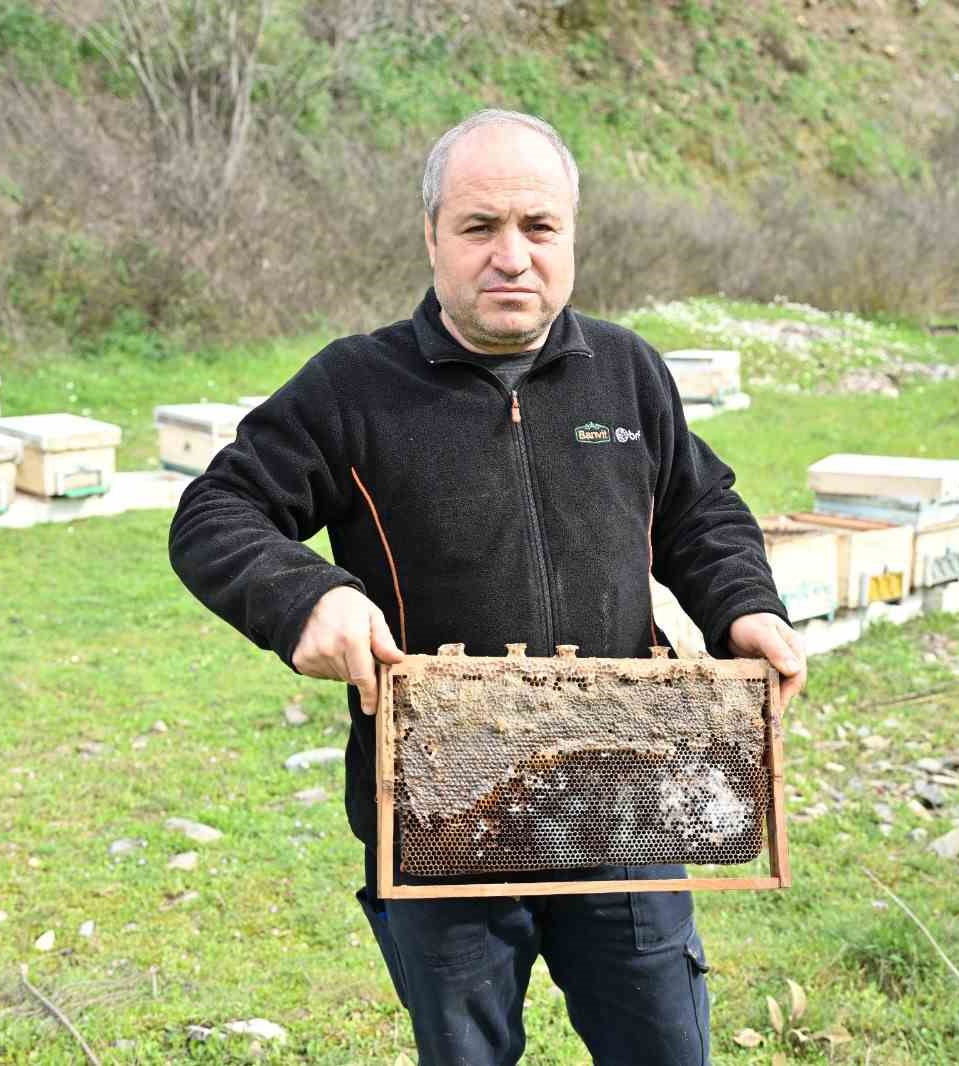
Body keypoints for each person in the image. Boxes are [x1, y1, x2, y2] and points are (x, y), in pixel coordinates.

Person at [169, 108, 807, 1066]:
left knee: (665, 1048)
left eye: (539, 228)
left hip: (625, 792)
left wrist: (746, 608)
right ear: (433, 237)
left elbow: (698, 511)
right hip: (438, 811)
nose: (512, 256)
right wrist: (309, 597)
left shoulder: (627, 372)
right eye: (479, 228)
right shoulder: (355, 386)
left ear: (571, 238)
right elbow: (216, 513)